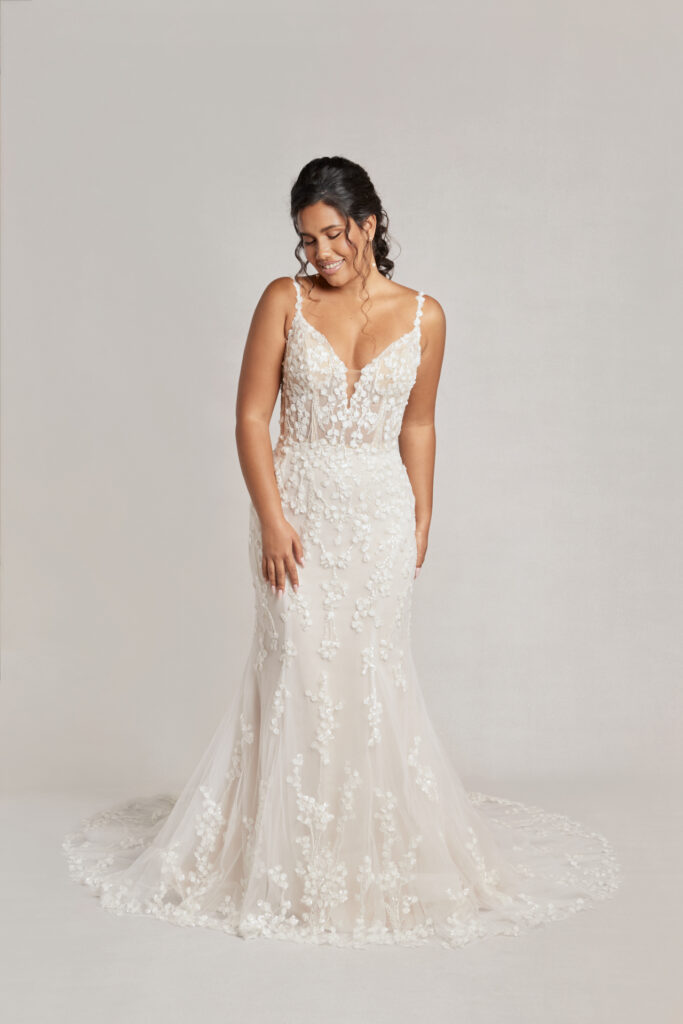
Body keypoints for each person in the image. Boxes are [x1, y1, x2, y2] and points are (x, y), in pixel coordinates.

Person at [62, 156, 622, 950]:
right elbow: (251, 419)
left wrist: (423, 512)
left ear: (368, 223)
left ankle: (364, 850)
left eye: (332, 234)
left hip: (378, 515)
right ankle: (285, 856)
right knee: (296, 666)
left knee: (369, 669)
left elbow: (418, 424)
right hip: (297, 511)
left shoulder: (426, 315)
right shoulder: (282, 301)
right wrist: (273, 516)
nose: (319, 253)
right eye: (306, 239)